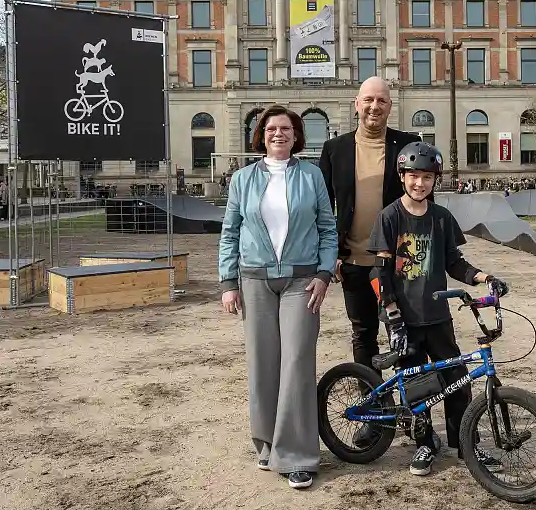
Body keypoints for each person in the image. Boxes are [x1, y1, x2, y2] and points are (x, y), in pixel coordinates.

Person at [368, 141, 509, 476]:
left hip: (438, 317)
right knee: (418, 387)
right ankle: (424, 445)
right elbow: (379, 273)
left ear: (436, 180)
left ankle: (466, 444)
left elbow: (454, 263)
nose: (420, 183)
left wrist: (484, 277)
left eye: (427, 177)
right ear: (402, 176)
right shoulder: (390, 217)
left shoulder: (441, 218)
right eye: (414, 176)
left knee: (456, 381)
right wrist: (392, 314)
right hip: (404, 319)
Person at [218, 105, 338, 491]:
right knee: (263, 364)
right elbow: (230, 232)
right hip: (254, 281)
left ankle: (298, 456)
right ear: (261, 135)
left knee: (298, 363)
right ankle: (267, 443)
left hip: (301, 281)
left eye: (286, 128)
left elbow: (327, 228)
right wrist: (228, 282)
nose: (278, 134)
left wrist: (323, 273)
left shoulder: (312, 175)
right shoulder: (242, 178)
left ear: (296, 135)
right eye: (271, 129)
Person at [318, 75, 429, 447]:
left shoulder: (406, 146)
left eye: (381, 100)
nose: (374, 107)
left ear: (389, 106)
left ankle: (418, 415)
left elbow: (420, 202)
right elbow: (323, 209)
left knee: (406, 336)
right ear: (356, 103)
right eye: (368, 100)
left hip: (398, 264)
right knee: (363, 335)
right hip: (353, 261)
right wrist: (329, 253)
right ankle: (377, 411)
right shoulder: (334, 149)